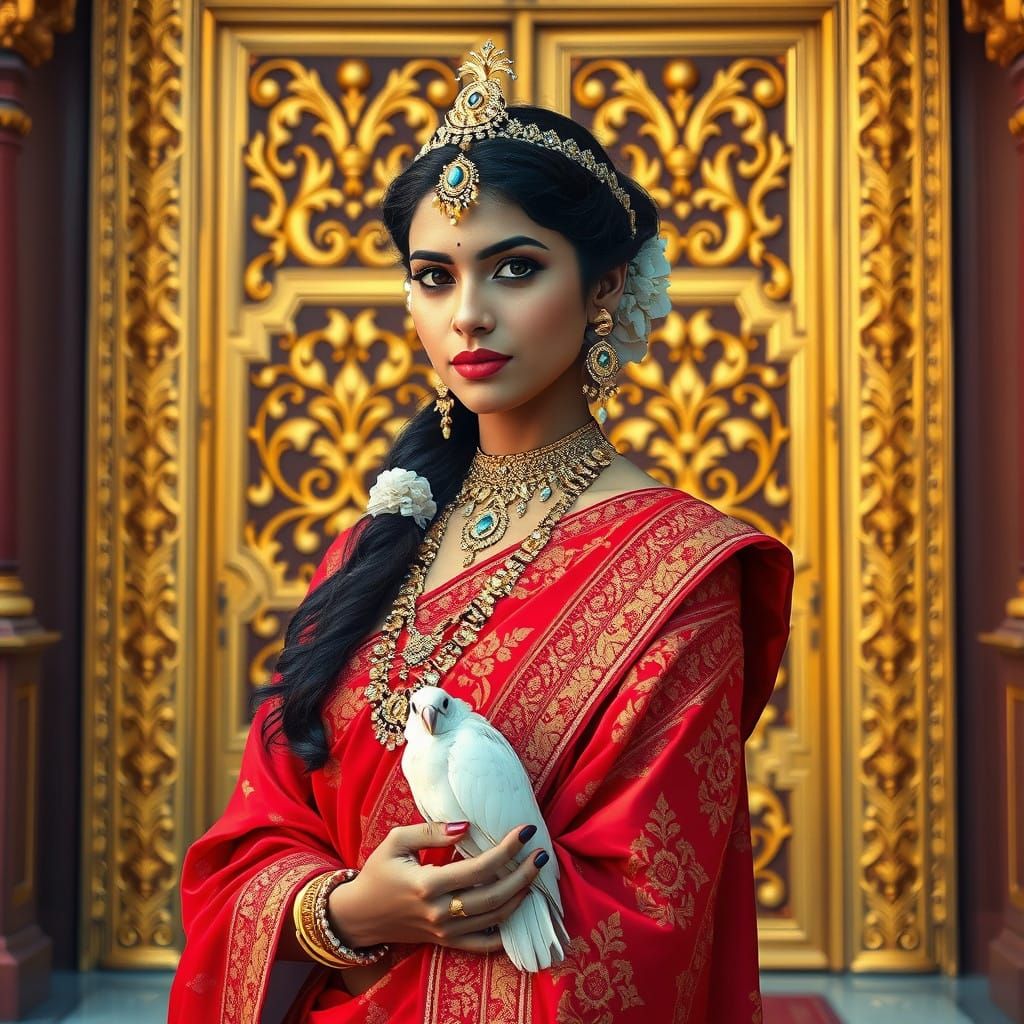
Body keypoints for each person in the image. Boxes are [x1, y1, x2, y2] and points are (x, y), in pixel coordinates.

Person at [167, 40, 793, 1024]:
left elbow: (647, 917)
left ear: (602, 288)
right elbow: (256, 828)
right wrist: (344, 911)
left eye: (514, 269)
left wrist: (423, 926)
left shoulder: (681, 573)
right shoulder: (369, 552)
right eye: (433, 276)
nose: (467, 315)